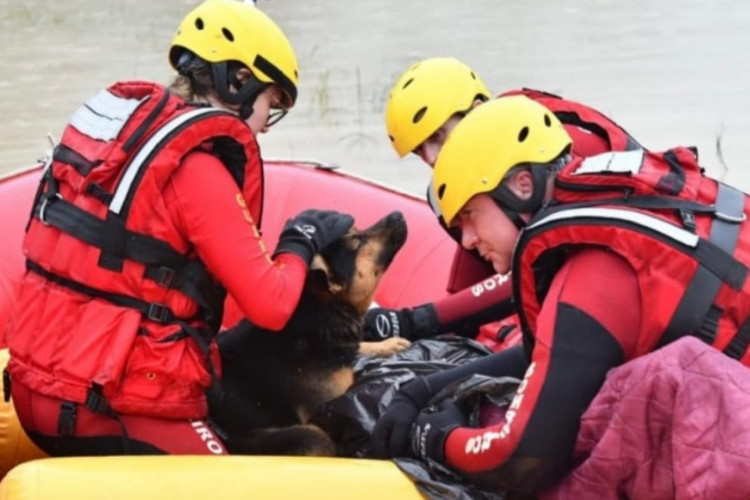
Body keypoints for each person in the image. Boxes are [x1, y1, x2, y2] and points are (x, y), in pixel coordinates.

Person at [4, 0, 355, 456]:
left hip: (36, 391)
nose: (266, 127)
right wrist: (300, 239)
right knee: (241, 486)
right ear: (239, 81)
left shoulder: (124, 141)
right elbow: (270, 305)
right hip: (105, 407)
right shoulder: (197, 168)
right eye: (272, 105)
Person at [371, 95, 750, 495]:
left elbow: (519, 461)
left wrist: (434, 439)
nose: (467, 240)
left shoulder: (590, 278)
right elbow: (549, 353)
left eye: (469, 216)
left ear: (521, 185)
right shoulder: (609, 200)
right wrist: (422, 390)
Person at [363, 57, 642, 351]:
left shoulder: (548, 147)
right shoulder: (485, 168)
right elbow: (468, 286)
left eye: (437, 137)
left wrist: (412, 321)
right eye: (420, 150)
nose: (432, 158)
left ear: (477, 109)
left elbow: (536, 270)